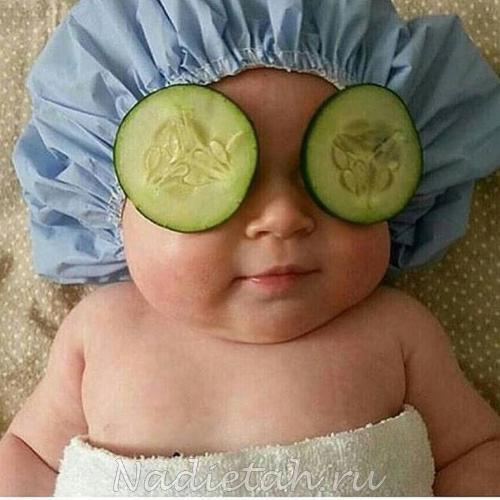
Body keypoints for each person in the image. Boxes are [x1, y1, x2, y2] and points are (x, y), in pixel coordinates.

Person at [1, 0, 500, 495]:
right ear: (111, 202)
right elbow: (27, 456)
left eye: (338, 168)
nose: (282, 217)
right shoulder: (100, 331)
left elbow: (474, 450)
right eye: (202, 176)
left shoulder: (396, 330)